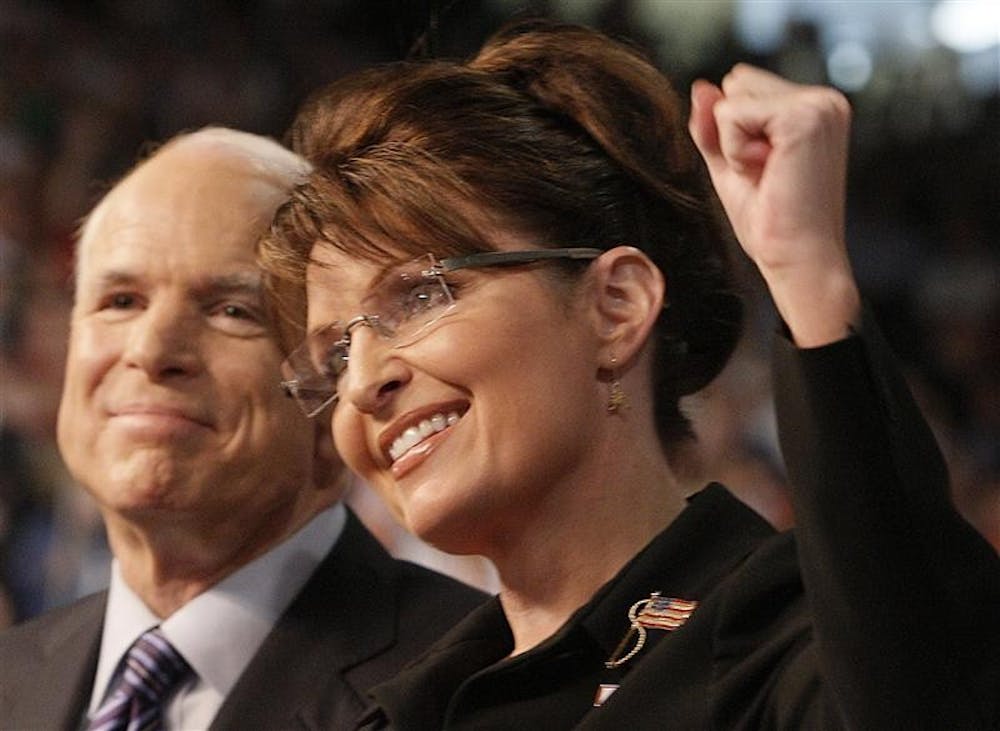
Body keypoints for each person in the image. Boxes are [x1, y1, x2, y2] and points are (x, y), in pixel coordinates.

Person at [260, 19, 1000, 729]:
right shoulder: (387, 709)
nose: (360, 384)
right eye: (335, 352)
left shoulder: (791, 644)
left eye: (419, 295)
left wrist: (807, 278)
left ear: (616, 306)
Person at [0, 127, 487, 730]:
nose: (152, 350)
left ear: (339, 391)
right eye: (121, 300)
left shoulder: (471, 686)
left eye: (233, 311)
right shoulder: (11, 679)